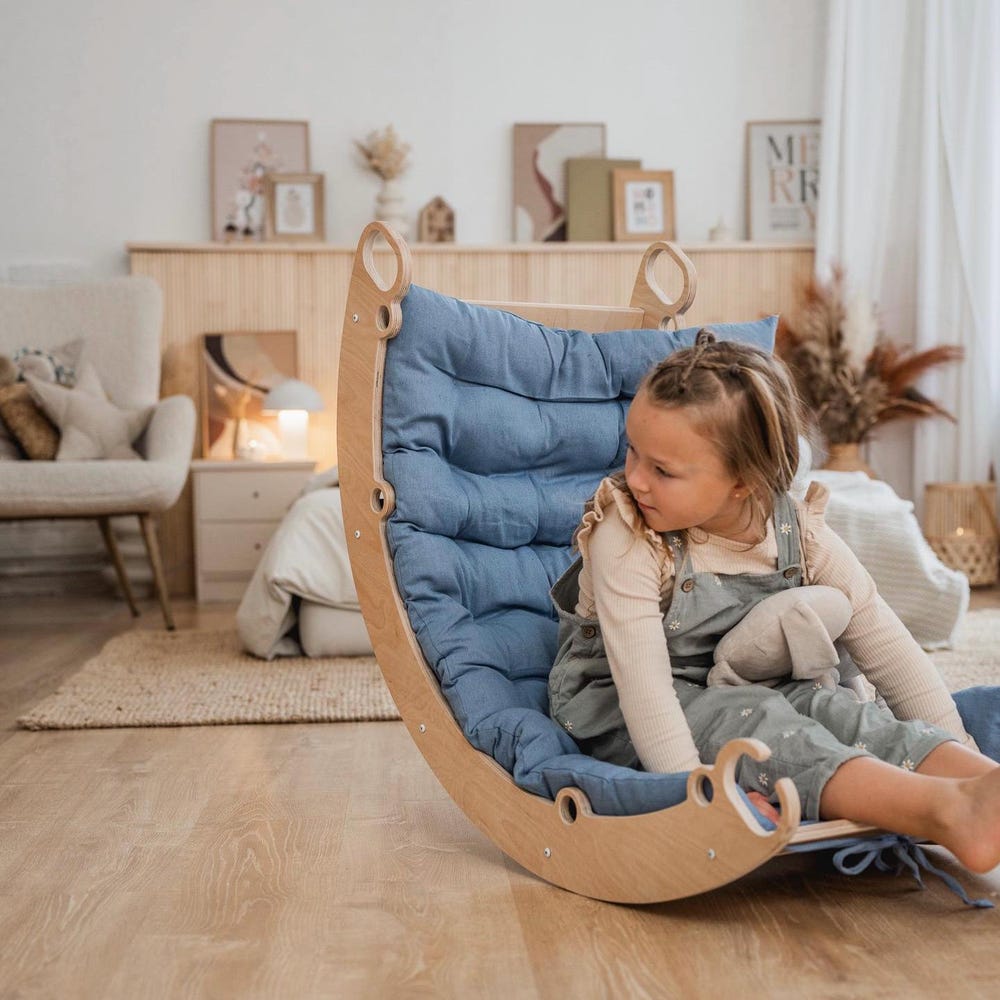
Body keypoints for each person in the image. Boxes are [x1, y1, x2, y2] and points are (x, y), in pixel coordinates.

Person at [548, 330, 1000, 874]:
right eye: (633, 451)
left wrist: (958, 740)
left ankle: (979, 786)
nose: (636, 479)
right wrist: (696, 797)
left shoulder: (797, 530)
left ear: (743, 482)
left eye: (662, 470)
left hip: (752, 683)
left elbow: (883, 640)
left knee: (841, 711)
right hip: (625, 705)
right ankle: (947, 813)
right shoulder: (627, 534)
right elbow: (644, 689)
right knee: (771, 730)